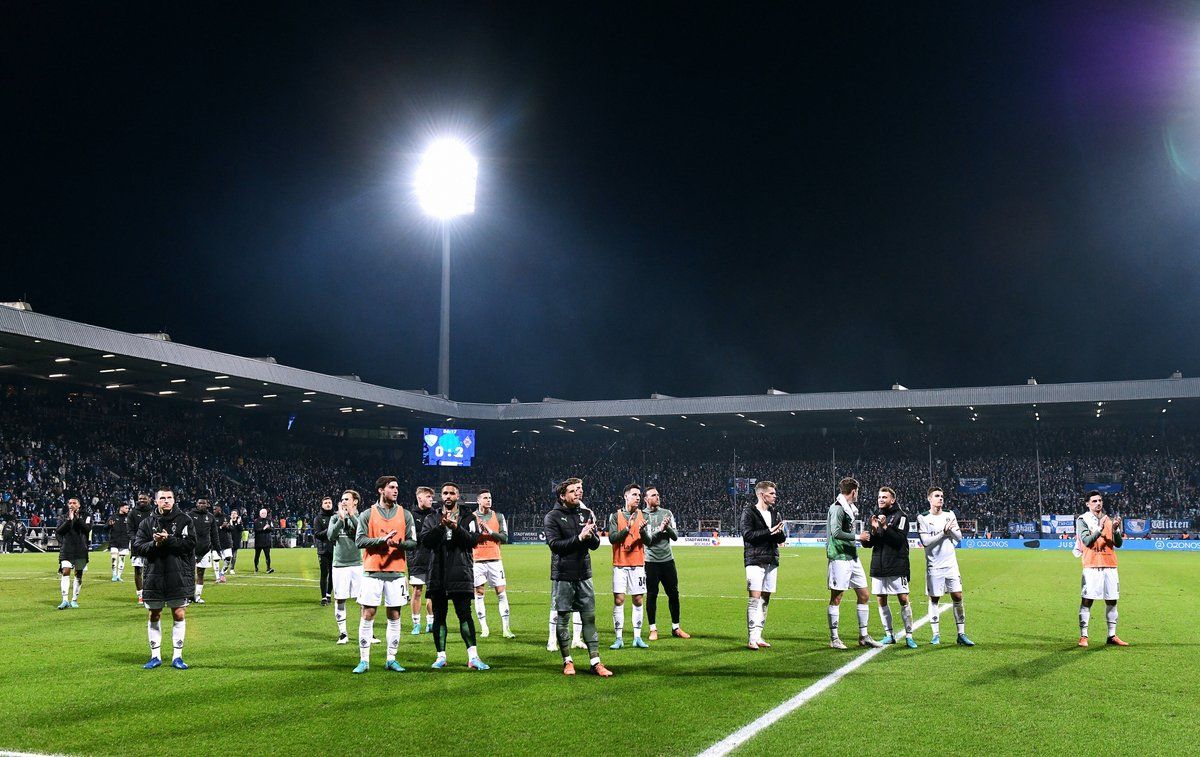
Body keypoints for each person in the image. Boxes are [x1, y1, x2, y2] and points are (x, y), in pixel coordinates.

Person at [544, 477, 612, 676]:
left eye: (579, 489)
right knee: (563, 618)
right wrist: (580, 537)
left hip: (584, 574)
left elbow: (595, 545)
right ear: (562, 496)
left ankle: (595, 662)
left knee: (589, 618)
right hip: (563, 575)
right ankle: (567, 661)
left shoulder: (586, 513)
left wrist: (590, 535)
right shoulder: (552, 517)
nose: (578, 493)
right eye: (573, 491)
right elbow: (555, 546)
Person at [419, 482, 490, 670]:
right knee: (439, 616)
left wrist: (456, 527)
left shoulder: (469, 517)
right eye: (445, 493)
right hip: (437, 573)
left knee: (465, 615)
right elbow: (426, 541)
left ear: (458, 496)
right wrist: (441, 527)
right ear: (441, 496)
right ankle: (441, 657)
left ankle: (473, 657)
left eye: (452, 493)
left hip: (461, 572)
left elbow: (473, 541)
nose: (448, 496)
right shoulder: (432, 518)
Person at [352, 476, 416, 673]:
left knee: (394, 614)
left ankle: (391, 658)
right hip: (372, 571)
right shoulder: (367, 514)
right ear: (381, 490)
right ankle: (364, 660)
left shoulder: (405, 514)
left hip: (396, 572)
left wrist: (398, 544)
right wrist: (381, 540)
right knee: (368, 613)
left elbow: (413, 542)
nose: (396, 490)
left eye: (397, 487)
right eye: (391, 487)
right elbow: (359, 541)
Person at [132, 488, 196, 670]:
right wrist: (155, 543)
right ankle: (155, 656)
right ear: (156, 501)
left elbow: (190, 545)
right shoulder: (146, 523)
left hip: (178, 575)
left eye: (169, 498)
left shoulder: (185, 520)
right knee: (154, 614)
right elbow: (138, 547)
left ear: (174, 500)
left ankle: (177, 657)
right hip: (154, 576)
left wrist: (168, 540)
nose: (166, 501)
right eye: (162, 498)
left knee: (179, 613)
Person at [826, 477, 882, 649]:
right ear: (853, 491)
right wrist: (859, 537)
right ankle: (834, 638)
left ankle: (864, 636)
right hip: (839, 557)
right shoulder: (837, 508)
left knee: (864, 595)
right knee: (837, 597)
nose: (858, 494)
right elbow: (835, 532)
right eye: (857, 491)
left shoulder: (849, 508)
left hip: (852, 557)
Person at [860, 487, 917, 648]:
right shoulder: (875, 516)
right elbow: (871, 544)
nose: (881, 499)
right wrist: (869, 535)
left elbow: (899, 540)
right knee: (881, 598)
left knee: (903, 598)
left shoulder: (901, 516)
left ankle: (909, 635)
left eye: (884, 497)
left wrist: (885, 527)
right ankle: (889, 634)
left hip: (897, 564)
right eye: (879, 497)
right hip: (878, 565)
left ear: (892, 500)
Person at [917, 486, 973, 646]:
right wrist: (943, 532)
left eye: (941, 496)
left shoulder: (950, 514)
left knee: (958, 596)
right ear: (929, 499)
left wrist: (951, 530)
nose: (940, 498)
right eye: (937, 496)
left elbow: (959, 537)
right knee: (934, 598)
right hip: (934, 566)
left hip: (951, 564)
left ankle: (961, 634)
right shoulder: (923, 517)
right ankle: (936, 635)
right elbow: (925, 542)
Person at [1076, 491, 1127, 647]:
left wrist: (1115, 530)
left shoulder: (1108, 520)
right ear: (1087, 504)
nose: (1098, 503)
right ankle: (1084, 636)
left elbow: (1118, 544)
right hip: (1091, 565)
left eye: (1100, 500)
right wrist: (1100, 529)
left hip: (1110, 564)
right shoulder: (1082, 520)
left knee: (1112, 600)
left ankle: (1111, 636)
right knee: (1087, 600)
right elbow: (1086, 541)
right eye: (1094, 501)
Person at [742, 480, 786, 650]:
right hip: (754, 559)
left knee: (765, 598)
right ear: (762, 494)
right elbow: (747, 535)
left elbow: (781, 538)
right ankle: (752, 638)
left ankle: (759, 635)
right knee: (754, 598)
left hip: (771, 559)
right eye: (771, 493)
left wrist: (779, 533)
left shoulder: (775, 513)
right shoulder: (749, 512)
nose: (775, 496)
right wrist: (770, 531)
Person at [643, 486, 689, 640]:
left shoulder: (667, 513)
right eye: (653, 495)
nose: (657, 497)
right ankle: (653, 629)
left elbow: (675, 536)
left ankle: (676, 627)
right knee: (652, 595)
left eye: (658, 494)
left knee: (673, 594)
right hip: (650, 562)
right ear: (646, 499)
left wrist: (667, 527)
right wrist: (660, 529)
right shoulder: (642, 515)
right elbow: (648, 541)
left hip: (668, 560)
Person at [608, 484, 650, 649]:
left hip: (637, 564)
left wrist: (644, 531)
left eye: (639, 495)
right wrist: (627, 528)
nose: (638, 497)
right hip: (620, 564)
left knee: (638, 599)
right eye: (634, 494)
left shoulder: (643, 515)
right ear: (626, 496)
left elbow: (649, 541)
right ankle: (618, 638)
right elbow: (612, 538)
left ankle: (637, 637)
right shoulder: (615, 516)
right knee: (619, 599)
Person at [472, 489, 514, 639]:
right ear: (478, 500)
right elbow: (468, 538)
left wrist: (490, 531)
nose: (488, 500)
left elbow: (505, 538)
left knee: (501, 593)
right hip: (477, 561)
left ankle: (506, 628)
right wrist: (479, 533)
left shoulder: (499, 516)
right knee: (479, 594)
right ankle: (484, 628)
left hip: (495, 560)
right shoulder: (471, 517)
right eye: (485, 498)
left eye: (489, 497)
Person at [328, 489, 364, 645]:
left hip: (357, 564)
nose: (343, 501)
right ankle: (343, 634)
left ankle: (367, 633)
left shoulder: (361, 517)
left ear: (355, 501)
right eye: (342, 499)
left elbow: (363, 532)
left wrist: (351, 515)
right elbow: (330, 536)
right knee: (340, 599)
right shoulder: (335, 517)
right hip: (340, 565)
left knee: (363, 600)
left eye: (347, 499)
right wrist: (340, 520)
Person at [407, 486, 436, 635]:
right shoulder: (410, 516)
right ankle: (416, 624)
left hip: (433, 558)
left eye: (432, 497)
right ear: (419, 498)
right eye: (428, 497)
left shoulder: (436, 515)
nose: (431, 499)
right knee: (417, 591)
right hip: (417, 558)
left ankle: (431, 622)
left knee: (432, 592)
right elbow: (409, 538)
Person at [56, 498, 91, 609]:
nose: (71, 505)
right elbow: (59, 531)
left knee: (78, 574)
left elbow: (87, 529)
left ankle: (74, 600)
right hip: (67, 549)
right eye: (70, 503)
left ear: (79, 505)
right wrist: (69, 520)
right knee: (65, 572)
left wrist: (76, 518)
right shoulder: (63, 517)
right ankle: (65, 600)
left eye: (74, 503)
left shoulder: (86, 516)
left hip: (81, 550)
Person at [127, 492, 155, 606]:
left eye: (144, 498)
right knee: (138, 570)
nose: (142, 500)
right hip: (137, 546)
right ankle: (140, 595)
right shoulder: (133, 512)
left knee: (152, 571)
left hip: (152, 545)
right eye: (140, 499)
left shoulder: (154, 512)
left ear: (149, 499)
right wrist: (136, 540)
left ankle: (151, 593)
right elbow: (129, 529)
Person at [190, 498, 219, 604]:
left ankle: (197, 596)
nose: (202, 505)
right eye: (200, 503)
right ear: (196, 504)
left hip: (206, 549)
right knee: (189, 574)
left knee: (201, 573)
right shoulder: (189, 515)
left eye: (204, 503)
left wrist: (217, 549)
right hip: (191, 548)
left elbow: (214, 534)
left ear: (207, 505)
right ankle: (188, 596)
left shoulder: (210, 517)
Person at [314, 497, 335, 606]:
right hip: (323, 550)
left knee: (333, 573)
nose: (328, 504)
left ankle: (328, 594)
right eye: (326, 503)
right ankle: (323, 597)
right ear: (322, 505)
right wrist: (329, 530)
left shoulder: (336, 516)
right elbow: (317, 534)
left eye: (329, 502)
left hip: (335, 549)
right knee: (324, 573)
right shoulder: (318, 518)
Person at [108, 503, 132, 582]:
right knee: (114, 558)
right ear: (121, 508)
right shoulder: (113, 517)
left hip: (124, 541)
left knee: (122, 558)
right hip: (114, 541)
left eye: (128, 508)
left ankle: (119, 575)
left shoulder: (129, 518)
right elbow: (105, 528)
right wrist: (109, 525)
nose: (127, 509)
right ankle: (114, 575)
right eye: (126, 508)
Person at [214, 506, 232, 583]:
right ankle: (217, 577)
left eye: (215, 509)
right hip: (215, 542)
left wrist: (228, 526)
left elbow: (231, 528)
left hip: (226, 541)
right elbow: (211, 530)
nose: (214, 510)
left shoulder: (227, 517)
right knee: (216, 559)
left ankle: (222, 573)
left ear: (220, 509)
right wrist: (221, 527)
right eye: (213, 509)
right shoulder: (212, 518)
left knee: (228, 558)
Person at [253, 508, 274, 573]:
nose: (264, 514)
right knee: (257, 555)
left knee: (267, 555)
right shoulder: (256, 521)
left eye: (265, 513)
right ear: (260, 514)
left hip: (266, 541)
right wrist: (264, 528)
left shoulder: (269, 520)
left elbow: (272, 529)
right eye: (262, 513)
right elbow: (256, 530)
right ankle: (256, 568)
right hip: (258, 541)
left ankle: (268, 568)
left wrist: (269, 528)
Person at [227, 509, 244, 574]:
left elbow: (241, 529)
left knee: (234, 556)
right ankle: (225, 567)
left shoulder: (239, 522)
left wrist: (238, 523)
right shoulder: (228, 521)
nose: (233, 514)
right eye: (232, 513)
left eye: (234, 513)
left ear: (237, 515)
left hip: (236, 541)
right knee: (227, 556)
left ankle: (232, 569)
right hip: (228, 541)